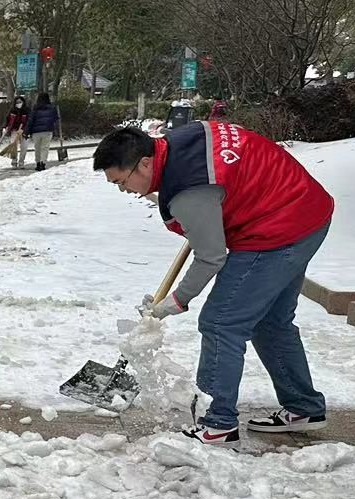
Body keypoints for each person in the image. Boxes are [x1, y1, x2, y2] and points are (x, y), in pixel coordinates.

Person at [93, 120, 335, 445]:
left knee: (221, 323)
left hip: (276, 228)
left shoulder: (188, 192)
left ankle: (217, 423)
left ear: (145, 162)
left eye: (122, 182)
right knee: (271, 322)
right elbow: (214, 196)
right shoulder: (179, 145)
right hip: (305, 209)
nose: (124, 190)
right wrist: (211, 213)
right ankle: (304, 407)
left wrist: (175, 301)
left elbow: (211, 256)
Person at [24, 91, 63, 170]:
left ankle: (38, 163)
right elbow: (55, 119)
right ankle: (43, 163)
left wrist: (27, 131)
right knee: (45, 147)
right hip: (47, 130)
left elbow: (30, 121)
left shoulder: (35, 109)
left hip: (36, 132)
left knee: (37, 147)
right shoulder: (52, 108)